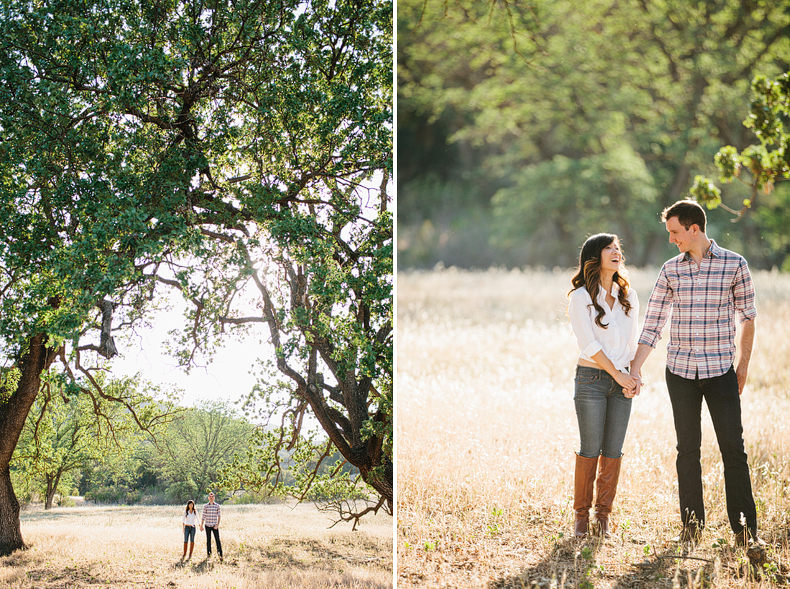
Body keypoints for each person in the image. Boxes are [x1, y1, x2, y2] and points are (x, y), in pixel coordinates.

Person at [629, 199, 759, 546]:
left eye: (675, 232)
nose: (672, 239)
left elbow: (748, 317)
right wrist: (635, 369)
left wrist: (742, 366)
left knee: (734, 449)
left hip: (721, 372)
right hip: (681, 372)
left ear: (694, 229)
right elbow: (654, 322)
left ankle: (745, 530)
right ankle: (692, 526)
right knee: (687, 449)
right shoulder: (671, 270)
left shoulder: (734, 264)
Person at [568, 233, 639, 538]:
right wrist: (617, 374)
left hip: (622, 379)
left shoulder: (629, 296)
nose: (616, 252)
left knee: (614, 450)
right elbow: (589, 344)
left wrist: (634, 374)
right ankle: (581, 518)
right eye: (609, 248)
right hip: (592, 380)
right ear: (594, 256)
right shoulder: (581, 297)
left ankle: (604, 517)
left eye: (617, 248)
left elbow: (633, 340)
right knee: (590, 449)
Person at [200, 491, 224, 561]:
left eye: (212, 496)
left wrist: (217, 524)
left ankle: (220, 554)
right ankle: (209, 554)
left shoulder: (217, 506)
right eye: (210, 497)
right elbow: (203, 516)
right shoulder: (206, 506)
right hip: (207, 525)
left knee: (217, 539)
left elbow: (219, 516)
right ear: (208, 498)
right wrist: (201, 525)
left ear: (214, 497)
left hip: (214, 525)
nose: (211, 498)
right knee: (208, 540)